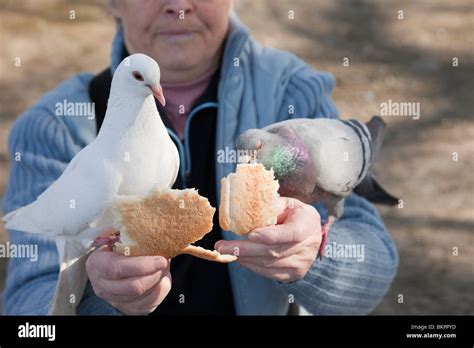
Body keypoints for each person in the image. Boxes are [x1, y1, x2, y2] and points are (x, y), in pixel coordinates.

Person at [2, 0, 398, 315]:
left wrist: (315, 255)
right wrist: (100, 301)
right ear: (113, 3)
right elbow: (27, 320)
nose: (178, 5)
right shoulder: (55, 128)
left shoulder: (294, 95)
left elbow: (372, 270)